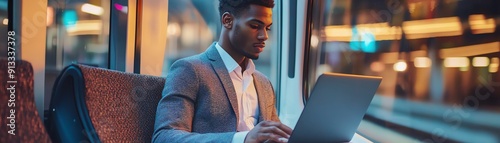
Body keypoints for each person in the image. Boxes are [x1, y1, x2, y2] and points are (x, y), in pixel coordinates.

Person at [152, 0, 292, 142]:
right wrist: (243, 139)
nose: (264, 36)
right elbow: (164, 137)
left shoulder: (264, 84)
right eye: (255, 26)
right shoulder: (189, 70)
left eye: (267, 28)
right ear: (228, 21)